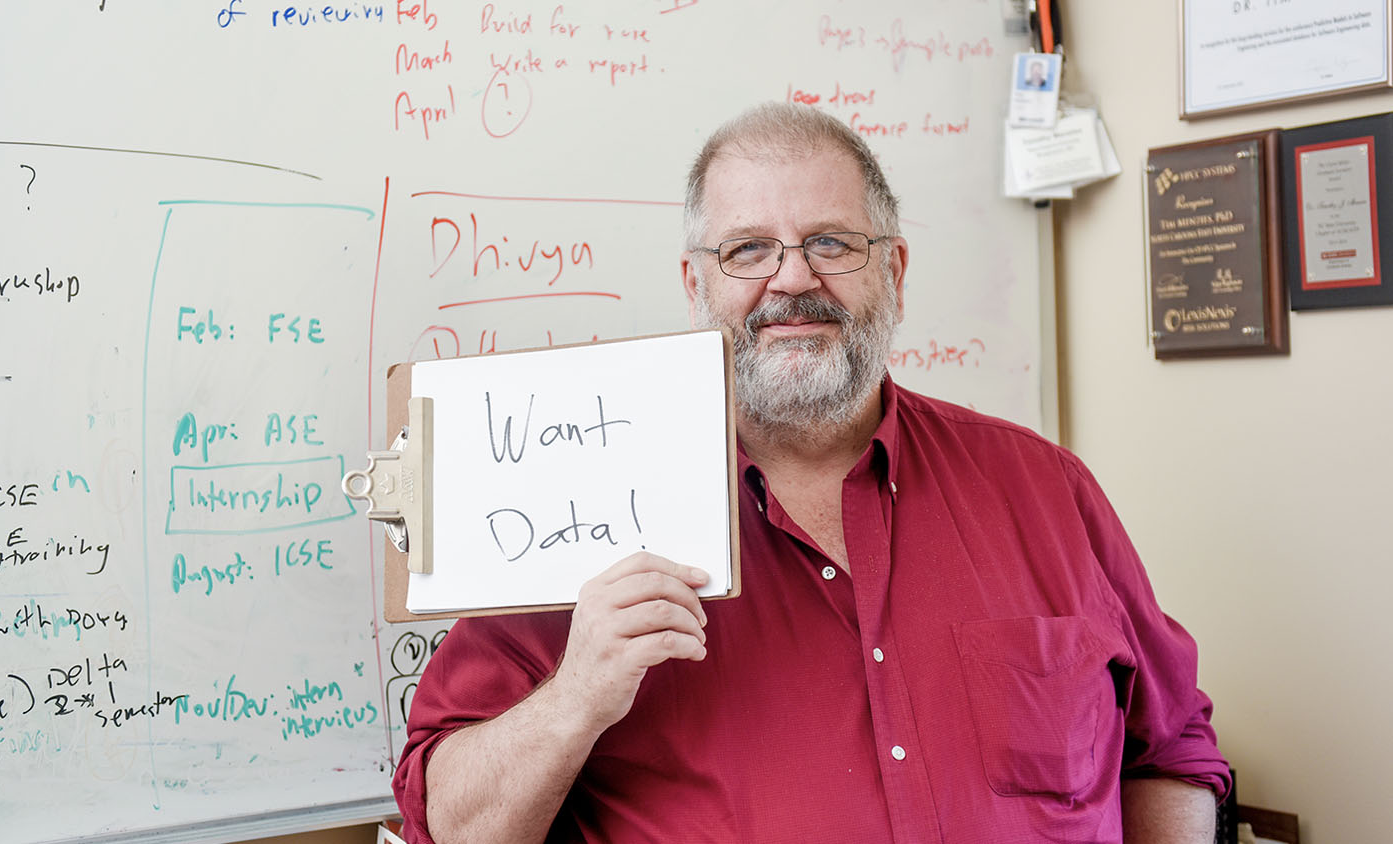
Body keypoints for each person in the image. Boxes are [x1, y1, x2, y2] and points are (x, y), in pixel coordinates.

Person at [393, 102, 1229, 843]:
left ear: (893, 272)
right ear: (696, 287)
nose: (792, 279)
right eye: (748, 249)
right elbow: (451, 825)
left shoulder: (1047, 491)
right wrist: (575, 695)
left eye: (831, 242)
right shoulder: (576, 505)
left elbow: (1172, 752)